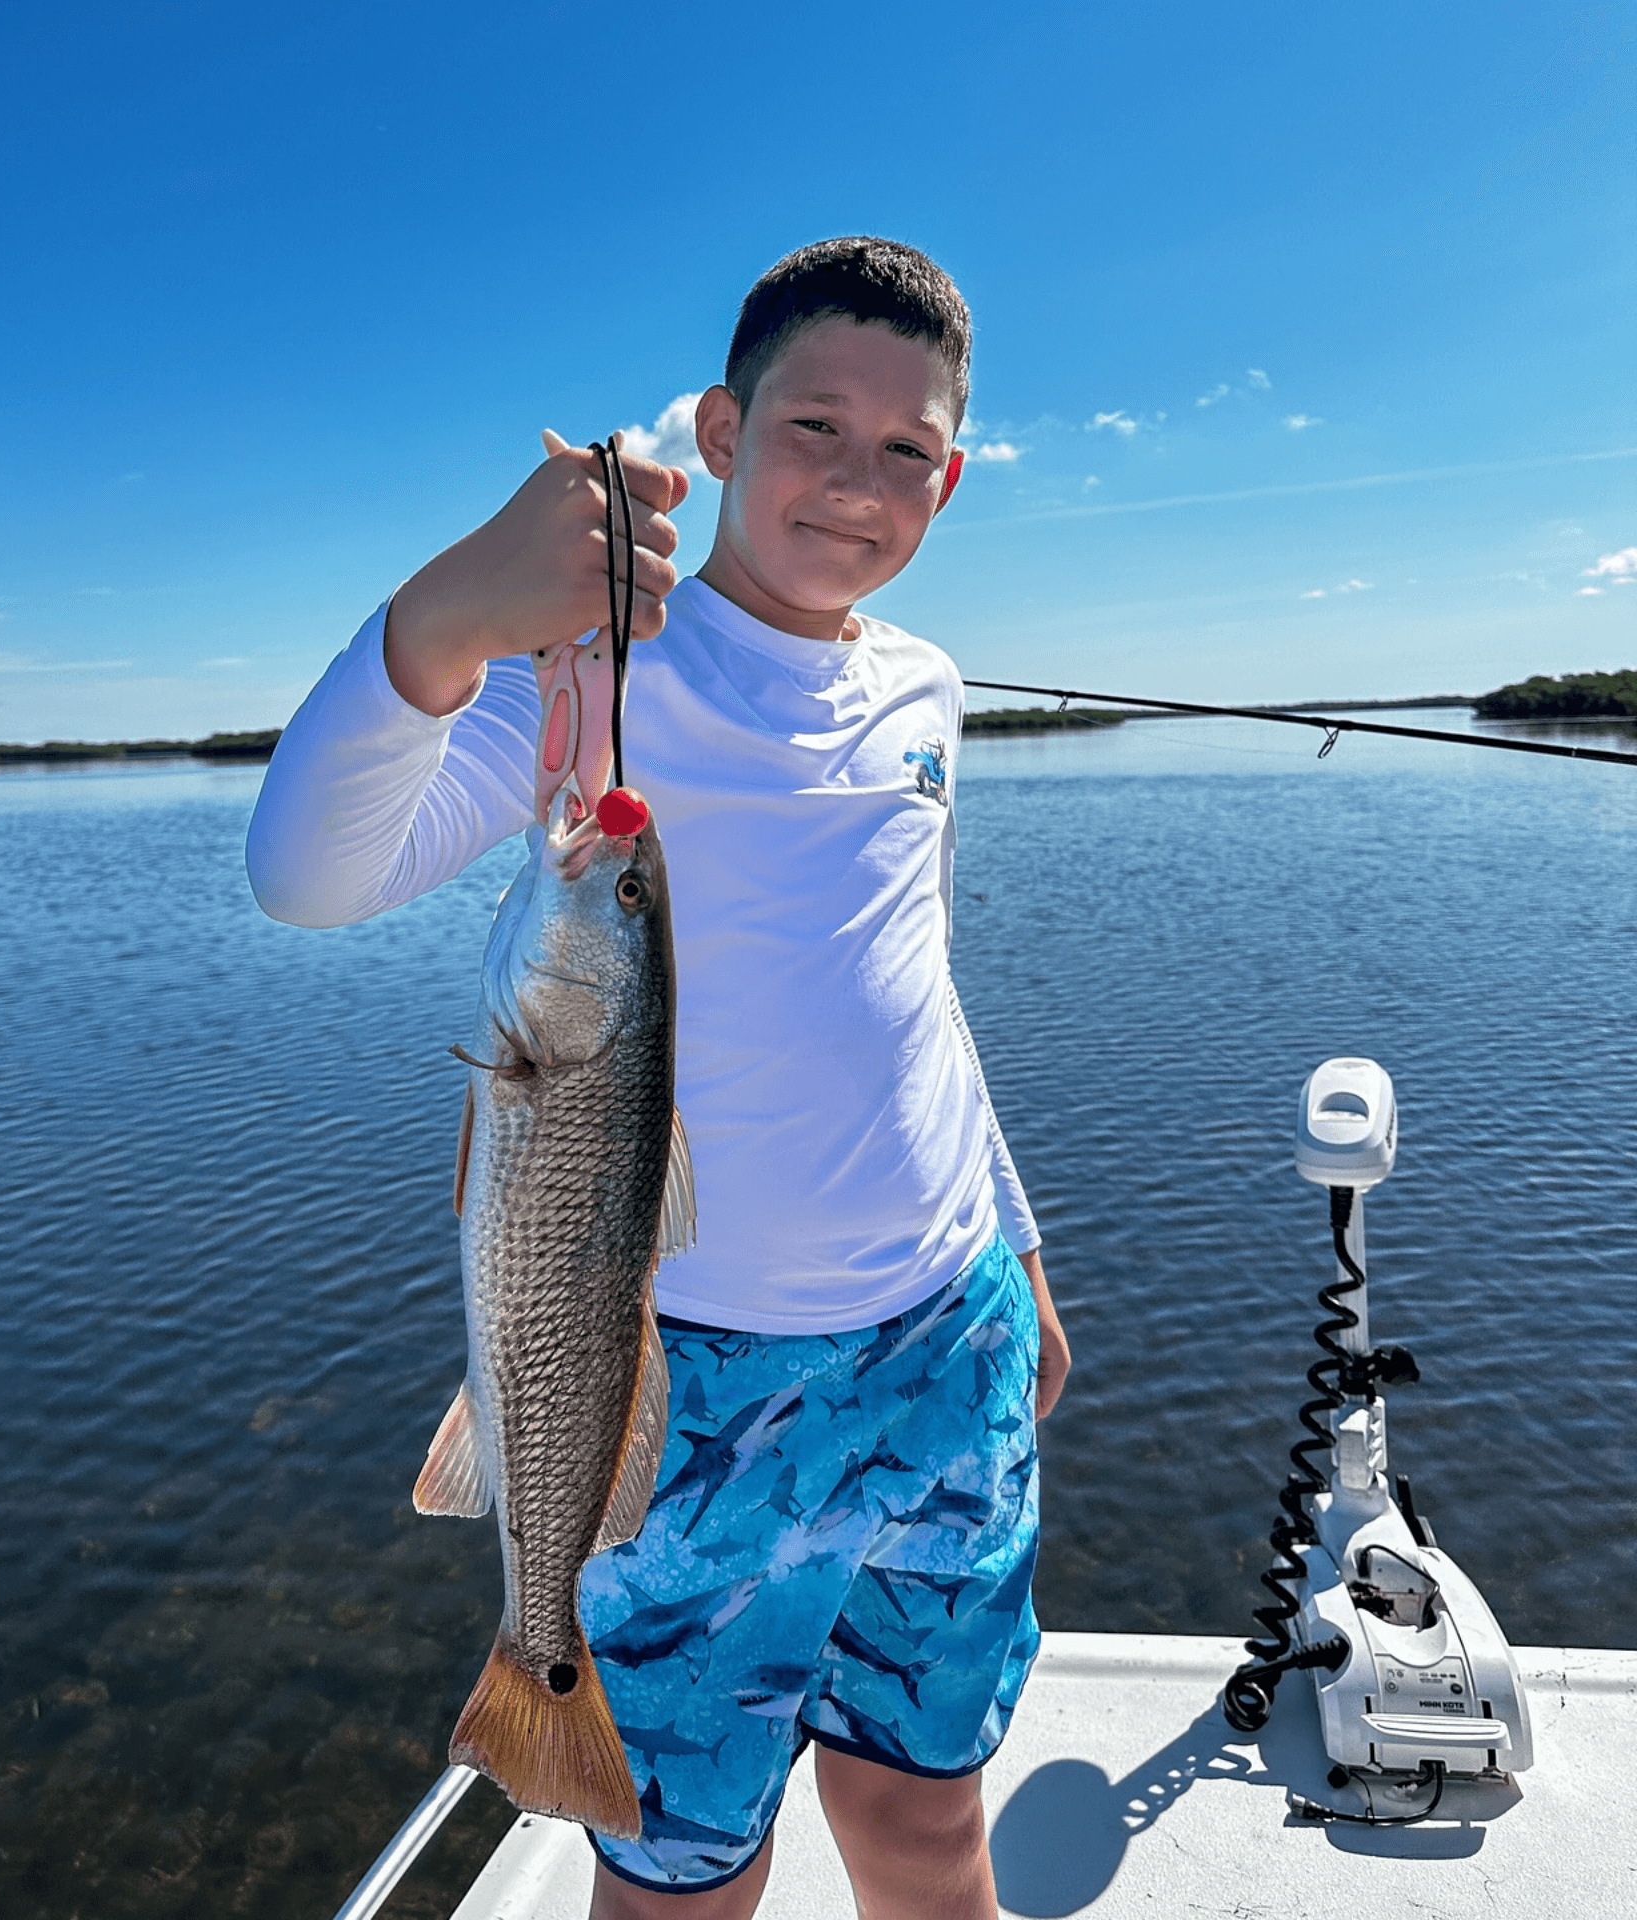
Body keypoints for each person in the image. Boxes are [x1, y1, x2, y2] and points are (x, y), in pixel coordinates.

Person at [247, 236, 1072, 1920]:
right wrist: (458, 608)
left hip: (946, 1341)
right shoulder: (600, 677)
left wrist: (1024, 1255)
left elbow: (917, 998)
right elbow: (309, 874)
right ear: (718, 429)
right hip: (684, 1390)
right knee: (693, 1873)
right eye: (811, 429)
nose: (856, 481)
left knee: (926, 1824)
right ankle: (539, 1678)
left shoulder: (926, 688)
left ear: (953, 477)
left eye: (905, 449)